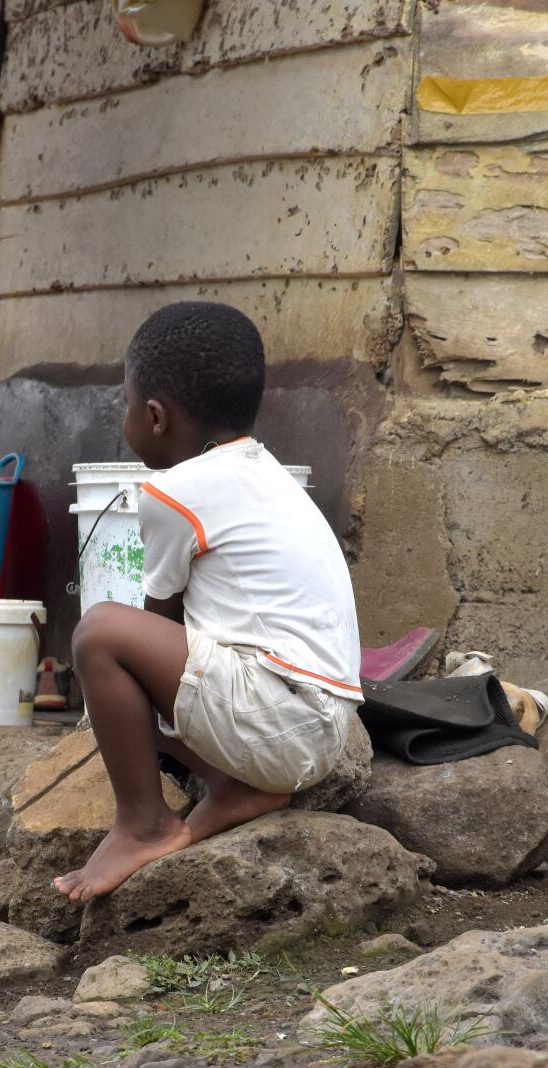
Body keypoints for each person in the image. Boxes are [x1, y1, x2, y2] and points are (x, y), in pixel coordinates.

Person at [51, 302, 364, 903]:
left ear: (155, 417)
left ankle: (144, 826)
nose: (124, 416)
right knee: (123, 696)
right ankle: (236, 789)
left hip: (279, 719)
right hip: (320, 730)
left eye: (124, 403)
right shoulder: (264, 472)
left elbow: (153, 626)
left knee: (99, 637)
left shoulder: (175, 492)